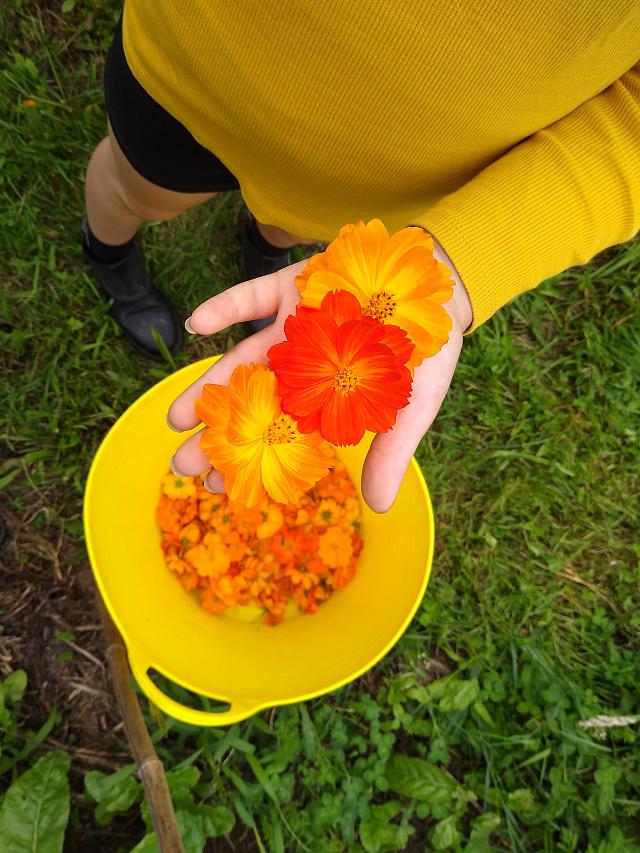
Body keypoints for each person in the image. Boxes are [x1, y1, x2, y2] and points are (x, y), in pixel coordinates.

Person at [84, 1, 640, 512]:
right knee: (139, 190)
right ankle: (109, 248)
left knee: (290, 229)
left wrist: (459, 260)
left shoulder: (366, 321)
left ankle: (266, 245)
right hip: (197, 71)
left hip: (381, 181)